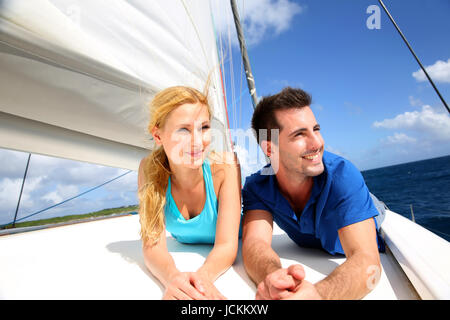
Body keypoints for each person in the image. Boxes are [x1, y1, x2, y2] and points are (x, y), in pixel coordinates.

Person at [241, 87, 386, 300]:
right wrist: (275, 278)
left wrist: (317, 295)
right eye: (299, 134)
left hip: (368, 208)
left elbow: (366, 259)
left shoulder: (343, 175)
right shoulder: (257, 187)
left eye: (316, 129)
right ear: (270, 149)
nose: (317, 143)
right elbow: (255, 243)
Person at [137, 86, 241, 300]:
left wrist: (201, 281)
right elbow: (152, 245)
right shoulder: (148, 169)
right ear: (158, 135)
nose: (198, 141)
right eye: (183, 130)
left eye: (204, 127)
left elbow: (227, 245)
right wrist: (173, 279)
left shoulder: (226, 166)